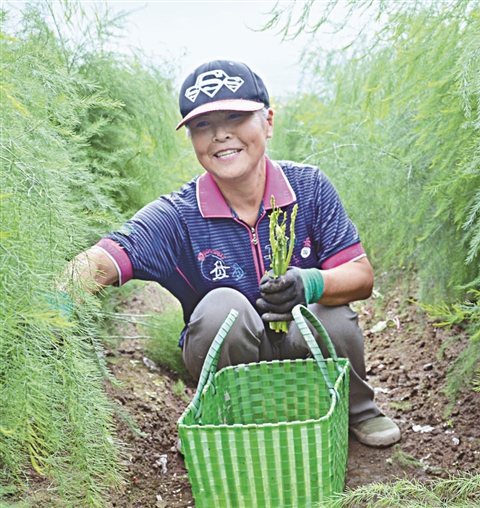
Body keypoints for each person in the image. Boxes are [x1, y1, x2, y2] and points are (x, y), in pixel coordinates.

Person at [67, 59, 401, 448]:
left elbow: (361, 276)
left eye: (235, 117)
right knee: (221, 306)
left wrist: (309, 283)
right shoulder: (180, 213)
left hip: (302, 348)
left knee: (330, 312)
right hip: (235, 357)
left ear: (268, 122)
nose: (220, 135)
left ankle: (355, 409)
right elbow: (105, 259)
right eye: (202, 125)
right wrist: (42, 308)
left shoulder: (309, 188)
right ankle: (220, 418)